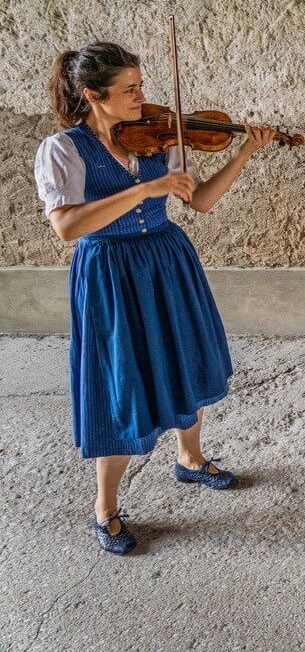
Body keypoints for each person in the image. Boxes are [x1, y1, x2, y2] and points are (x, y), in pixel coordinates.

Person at [35, 42, 275, 554]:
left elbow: (202, 201)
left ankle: (189, 459)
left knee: (184, 358)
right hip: (110, 272)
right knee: (122, 381)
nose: (143, 98)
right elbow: (68, 227)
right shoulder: (64, 151)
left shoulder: (159, 138)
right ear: (92, 95)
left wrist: (244, 152)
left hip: (167, 261)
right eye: (130, 90)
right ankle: (105, 508)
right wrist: (145, 190)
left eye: (141, 86)